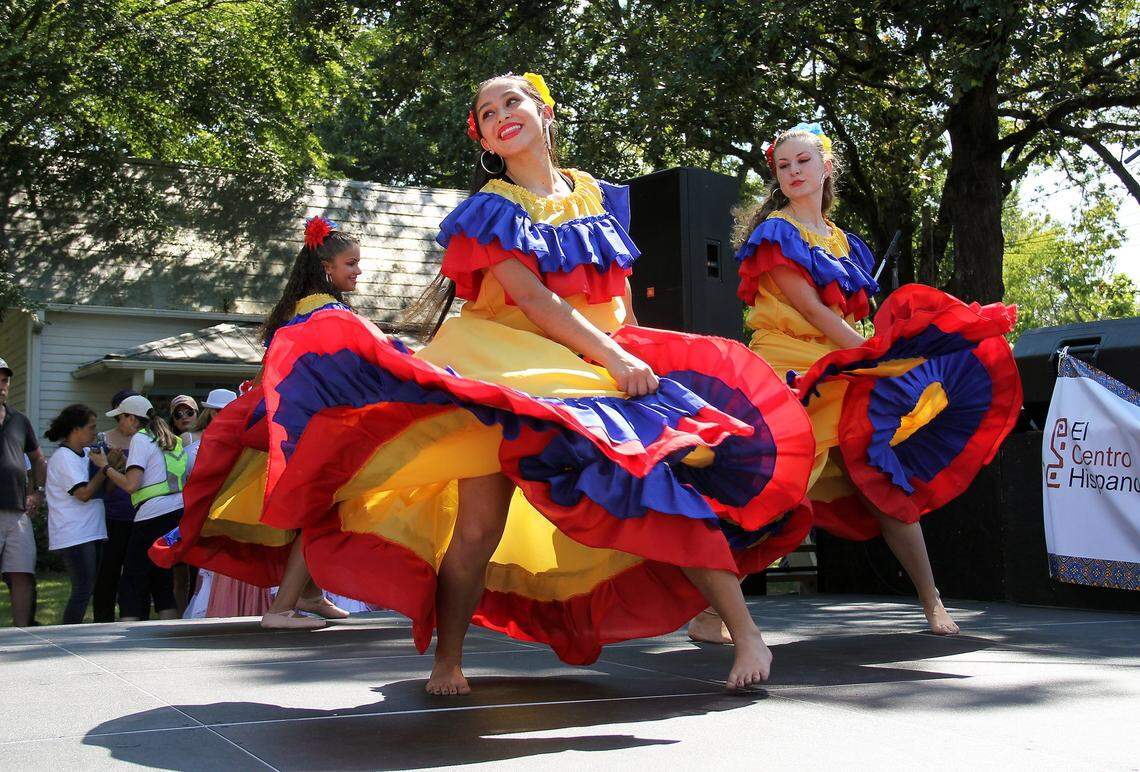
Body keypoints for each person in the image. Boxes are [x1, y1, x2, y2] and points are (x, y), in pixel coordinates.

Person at [237, 73, 815, 695]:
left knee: (659, 486)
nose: (500, 115)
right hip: (510, 368)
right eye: (486, 112)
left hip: (596, 363)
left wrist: (637, 354)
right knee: (479, 528)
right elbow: (537, 302)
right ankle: (447, 660)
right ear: (484, 137)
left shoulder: (597, 196)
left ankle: (743, 630)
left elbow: (616, 290)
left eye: (511, 101)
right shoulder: (490, 209)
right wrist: (615, 360)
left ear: (543, 111)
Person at [710, 121, 1021, 640]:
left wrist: (879, 352)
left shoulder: (844, 245)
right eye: (783, 166)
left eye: (803, 162)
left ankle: (930, 599)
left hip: (845, 363)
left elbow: (849, 317)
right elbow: (808, 309)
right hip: (792, 367)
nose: (793, 172)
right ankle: (710, 606)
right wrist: (870, 353)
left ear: (826, 167)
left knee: (880, 479)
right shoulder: (776, 233)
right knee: (777, 489)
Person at [149, 229, 359, 630]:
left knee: (325, 509)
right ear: (326, 268)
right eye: (351, 263)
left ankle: (310, 594)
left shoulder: (306, 309)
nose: (359, 271)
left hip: (304, 425)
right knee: (320, 512)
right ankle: (280, 609)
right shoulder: (324, 311)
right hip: (308, 428)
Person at [96, 395, 186, 621]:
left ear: (132, 419)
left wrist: (104, 466)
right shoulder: (171, 439)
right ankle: (170, 630)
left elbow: (131, 485)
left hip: (151, 516)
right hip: (176, 515)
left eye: (121, 418)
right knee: (161, 580)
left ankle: (129, 636)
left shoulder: (140, 439)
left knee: (132, 581)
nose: (119, 424)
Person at [44, 404, 109, 624]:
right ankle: (66, 638)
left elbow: (102, 491)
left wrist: (111, 467)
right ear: (75, 430)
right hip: (74, 534)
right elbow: (83, 493)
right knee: (83, 589)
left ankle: (70, 636)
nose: (94, 432)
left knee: (87, 588)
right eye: (91, 428)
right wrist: (104, 469)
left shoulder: (87, 455)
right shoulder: (63, 458)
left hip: (91, 531)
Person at [0, 357, 46, 627]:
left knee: (22, 573)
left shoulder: (20, 420)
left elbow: (39, 459)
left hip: (18, 512)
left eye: (5, 381)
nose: (2, 386)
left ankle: (22, 634)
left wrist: (37, 492)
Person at [92, 389, 141, 621]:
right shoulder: (103, 439)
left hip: (141, 515)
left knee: (136, 571)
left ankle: (133, 616)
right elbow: (101, 486)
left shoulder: (147, 440)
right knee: (108, 571)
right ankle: (103, 618)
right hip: (113, 515)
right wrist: (111, 467)